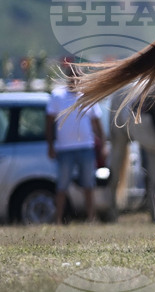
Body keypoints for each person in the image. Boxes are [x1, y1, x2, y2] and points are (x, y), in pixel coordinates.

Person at [45, 62, 105, 224]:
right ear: (67, 78)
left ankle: (91, 217)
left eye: (76, 76)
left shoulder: (87, 95)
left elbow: (96, 122)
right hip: (65, 149)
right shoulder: (57, 96)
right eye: (71, 77)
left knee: (88, 184)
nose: (73, 80)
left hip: (86, 147)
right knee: (62, 186)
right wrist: (50, 145)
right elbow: (49, 122)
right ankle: (58, 219)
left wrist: (103, 143)